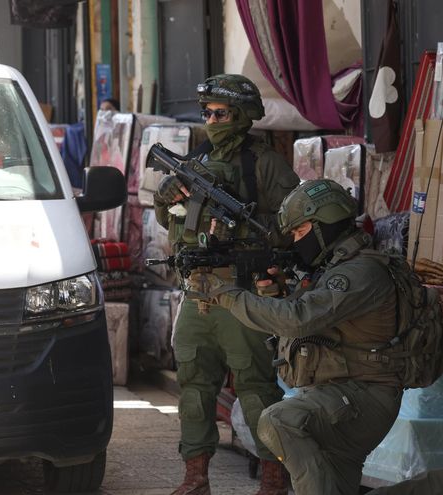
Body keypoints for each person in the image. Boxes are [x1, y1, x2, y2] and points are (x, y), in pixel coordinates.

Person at [185, 179, 443, 495]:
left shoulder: (358, 273)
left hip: (361, 398)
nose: (295, 241)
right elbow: (304, 312)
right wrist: (279, 293)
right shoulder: (336, 269)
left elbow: (298, 319)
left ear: (326, 224)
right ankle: (442, 487)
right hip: (342, 396)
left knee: (279, 420)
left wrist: (225, 294)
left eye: (300, 232)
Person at [153, 74, 300, 495]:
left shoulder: (265, 164)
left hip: (241, 293)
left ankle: (274, 478)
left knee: (255, 388)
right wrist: (166, 198)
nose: (212, 120)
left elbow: (295, 225)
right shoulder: (195, 162)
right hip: (197, 292)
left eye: (221, 113)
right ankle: (195, 476)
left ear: (241, 116)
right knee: (194, 389)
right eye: (207, 113)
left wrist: (244, 228)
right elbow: (175, 223)